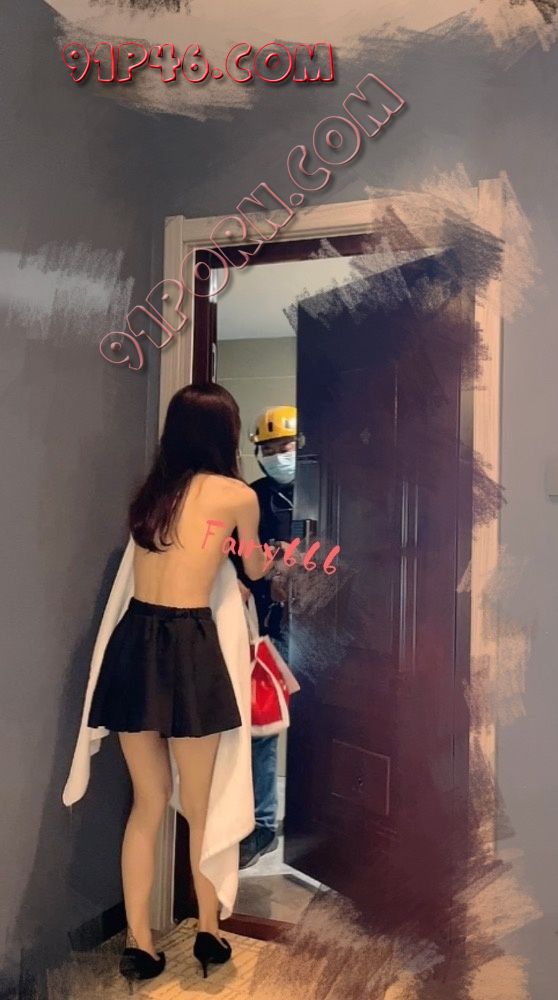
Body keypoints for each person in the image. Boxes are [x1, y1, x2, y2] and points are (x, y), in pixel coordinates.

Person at [85, 383, 274, 987]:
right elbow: (253, 566)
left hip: (135, 642)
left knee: (147, 803)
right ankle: (209, 932)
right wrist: (258, 563)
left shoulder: (151, 496)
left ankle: (139, 944)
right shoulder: (237, 495)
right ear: (225, 433)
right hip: (189, 646)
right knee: (200, 805)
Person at [232, 405, 297, 869]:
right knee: (262, 729)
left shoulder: (328, 493)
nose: (278, 456)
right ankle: (262, 825)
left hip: (325, 630)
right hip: (266, 629)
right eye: (270, 449)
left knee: (327, 727)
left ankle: (323, 824)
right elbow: (237, 561)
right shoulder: (252, 498)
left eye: (286, 447)